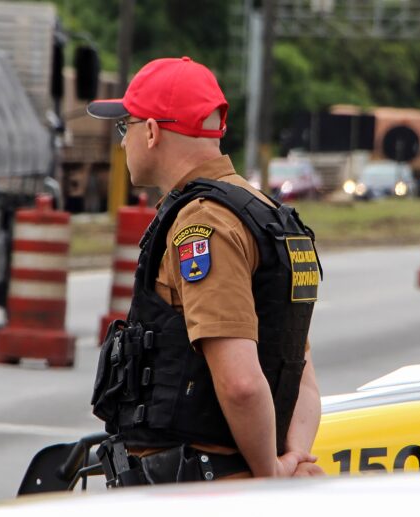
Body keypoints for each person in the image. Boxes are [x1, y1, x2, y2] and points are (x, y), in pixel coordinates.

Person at [88, 56, 323, 486]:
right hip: (238, 481)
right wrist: (293, 458)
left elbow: (241, 383)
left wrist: (270, 474)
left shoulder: (204, 225)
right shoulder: (270, 216)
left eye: (127, 127)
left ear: (153, 132)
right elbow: (299, 370)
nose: (123, 142)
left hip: (200, 494)